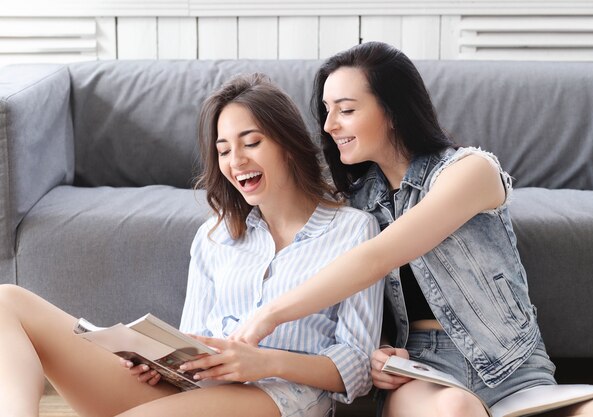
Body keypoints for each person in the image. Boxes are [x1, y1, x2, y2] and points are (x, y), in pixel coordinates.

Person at [231, 42, 593, 416]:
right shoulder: (356, 204)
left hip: (513, 366)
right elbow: (363, 309)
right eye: (327, 111)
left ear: (393, 111)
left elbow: (378, 256)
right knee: (457, 410)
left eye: (346, 110)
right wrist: (382, 351)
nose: (330, 125)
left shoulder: (471, 171)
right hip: (422, 371)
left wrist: (270, 315)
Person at [0, 73, 384, 417]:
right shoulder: (215, 236)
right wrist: (162, 364)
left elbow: (356, 367)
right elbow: (192, 339)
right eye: (224, 151)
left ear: (287, 144)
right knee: (8, 302)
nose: (236, 161)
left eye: (251, 142)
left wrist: (264, 362)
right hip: (203, 389)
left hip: (285, 393)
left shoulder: (353, 231)